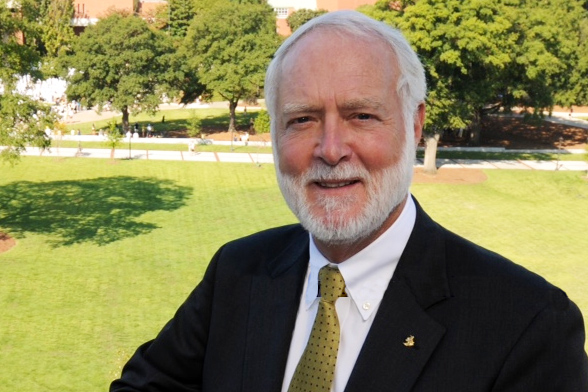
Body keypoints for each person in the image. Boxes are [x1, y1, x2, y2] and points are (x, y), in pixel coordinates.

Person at [110, 11, 588, 392]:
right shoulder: (238, 272)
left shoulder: (527, 324)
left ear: (415, 125)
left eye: (362, 115)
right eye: (302, 119)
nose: (331, 149)